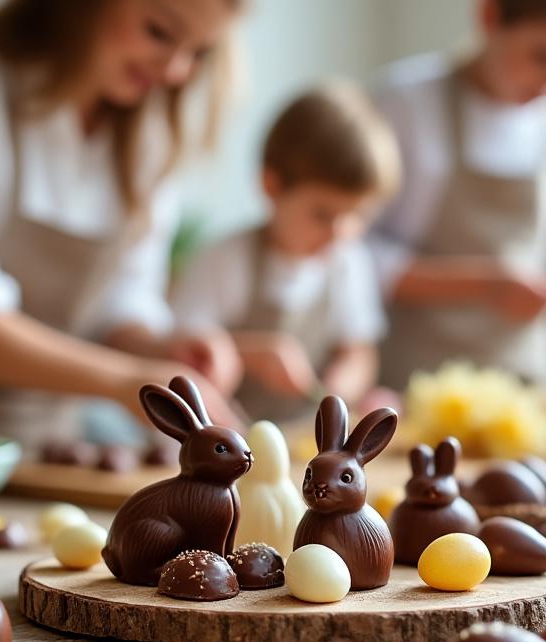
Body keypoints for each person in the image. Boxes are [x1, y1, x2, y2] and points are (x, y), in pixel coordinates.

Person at [0, 0, 245, 444]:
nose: (176, 71)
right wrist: (122, 379)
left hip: (50, 456)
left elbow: (122, 297)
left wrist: (161, 350)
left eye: (199, 53)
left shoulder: (148, 134)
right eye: (159, 31)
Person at [371, 0, 546, 388]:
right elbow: (350, 255)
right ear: (489, 16)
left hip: (528, 382)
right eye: (545, 54)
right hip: (412, 383)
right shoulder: (404, 104)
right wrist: (484, 285)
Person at [171, 82, 401, 421]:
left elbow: (359, 355)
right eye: (323, 214)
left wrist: (337, 389)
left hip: (305, 447)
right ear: (271, 186)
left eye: (357, 217)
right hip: (225, 440)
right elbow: (178, 355)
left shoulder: (349, 263)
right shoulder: (225, 260)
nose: (340, 232)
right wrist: (250, 355)